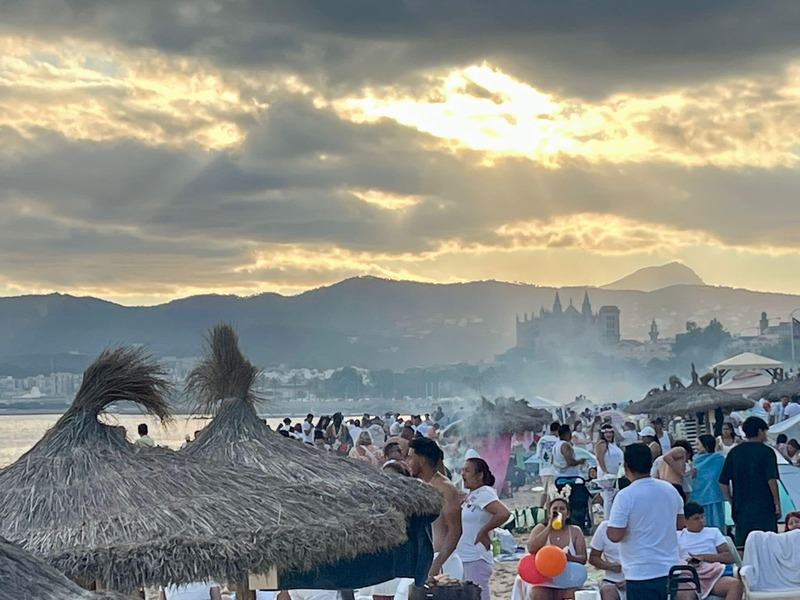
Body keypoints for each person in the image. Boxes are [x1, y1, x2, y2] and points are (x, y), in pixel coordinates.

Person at [607, 443, 684, 600]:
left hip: (640, 572)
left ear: (627, 466)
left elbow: (615, 535)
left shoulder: (625, 496)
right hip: (670, 569)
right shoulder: (670, 489)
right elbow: (680, 524)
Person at [718, 416, 781, 548]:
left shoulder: (735, 452)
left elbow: (722, 482)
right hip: (764, 505)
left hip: (741, 506)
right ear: (759, 431)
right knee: (768, 543)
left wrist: (732, 501)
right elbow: (771, 480)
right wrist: (777, 503)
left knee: (744, 545)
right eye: (765, 431)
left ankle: (745, 568)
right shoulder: (767, 452)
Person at [407, 437, 463, 580]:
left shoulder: (445, 488)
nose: (407, 462)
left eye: (410, 457)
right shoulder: (418, 485)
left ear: (422, 461)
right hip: (423, 560)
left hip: (442, 561)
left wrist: (436, 564)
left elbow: (455, 530)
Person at [456, 458, 511, 600]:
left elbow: (504, 513)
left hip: (475, 555)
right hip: (464, 555)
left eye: (467, 471)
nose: (463, 474)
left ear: (480, 475)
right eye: (462, 470)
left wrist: (484, 531)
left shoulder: (484, 492)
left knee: (477, 596)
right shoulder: (472, 494)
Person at [677, 503, 743, 600]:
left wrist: (703, 557)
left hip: (712, 573)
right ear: (685, 521)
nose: (701, 521)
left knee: (735, 585)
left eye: (702, 517)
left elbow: (729, 557)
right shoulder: (677, 536)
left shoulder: (713, 532)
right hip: (688, 574)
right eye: (696, 518)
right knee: (684, 596)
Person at [526, 497, 588, 600]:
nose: (558, 512)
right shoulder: (540, 528)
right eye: (555, 509)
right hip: (544, 580)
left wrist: (570, 557)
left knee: (572, 595)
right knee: (538, 594)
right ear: (549, 513)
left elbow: (583, 558)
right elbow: (531, 548)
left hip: (568, 579)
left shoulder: (575, 531)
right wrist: (549, 527)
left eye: (562, 509)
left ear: (567, 514)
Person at [690, 434, 727, 534]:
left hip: (714, 495)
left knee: (717, 523)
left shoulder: (719, 459)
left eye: (698, 444)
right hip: (699, 495)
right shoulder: (695, 460)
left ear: (706, 445)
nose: (696, 447)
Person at [589, 520, 625, 600]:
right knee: (607, 591)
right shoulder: (604, 526)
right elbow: (593, 558)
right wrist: (609, 566)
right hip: (612, 581)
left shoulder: (642, 526)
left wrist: (631, 580)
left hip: (639, 579)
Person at [595, 423, 624, 519]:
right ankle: (607, 519)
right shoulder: (602, 443)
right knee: (608, 497)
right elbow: (600, 458)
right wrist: (605, 472)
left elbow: (621, 438)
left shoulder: (614, 444)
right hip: (607, 474)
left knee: (615, 496)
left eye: (610, 432)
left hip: (616, 473)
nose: (608, 435)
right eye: (606, 433)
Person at [536, 422, 560, 506]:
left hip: (543, 469)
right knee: (551, 492)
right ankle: (549, 510)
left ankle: (540, 507)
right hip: (554, 470)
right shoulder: (558, 441)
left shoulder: (542, 440)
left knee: (545, 491)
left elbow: (538, 455)